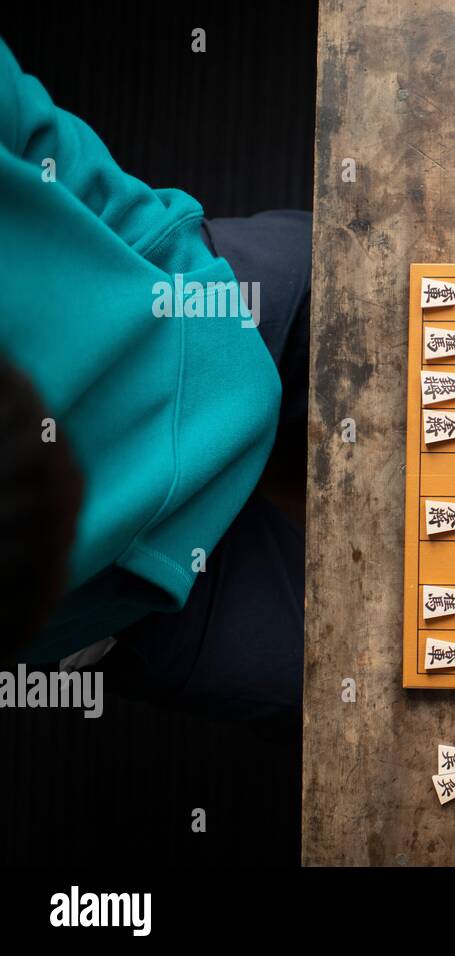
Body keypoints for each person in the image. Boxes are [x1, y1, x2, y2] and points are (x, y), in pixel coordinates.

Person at [0, 36, 307, 720]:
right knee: (417, 688)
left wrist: (163, 247)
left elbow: (26, 125)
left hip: (175, 289)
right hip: (130, 601)